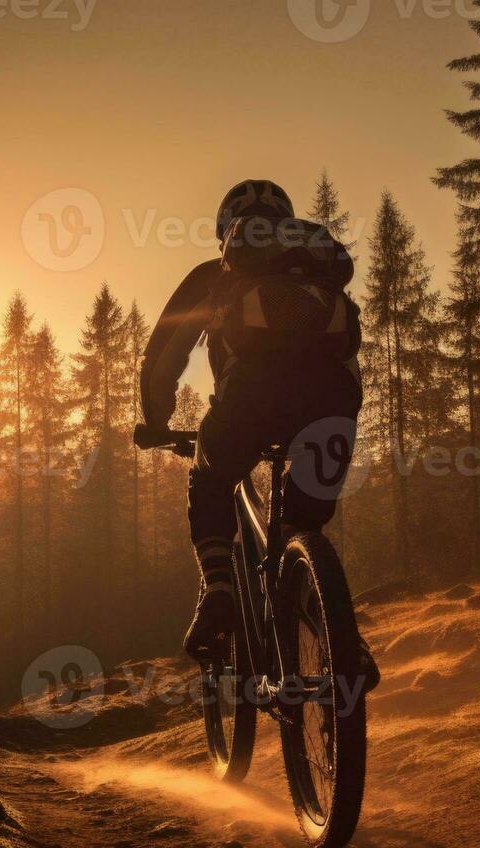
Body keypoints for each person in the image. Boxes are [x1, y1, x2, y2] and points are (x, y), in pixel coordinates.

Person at [137, 179, 374, 682]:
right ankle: (342, 639)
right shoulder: (318, 273)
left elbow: (164, 357)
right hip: (333, 404)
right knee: (302, 530)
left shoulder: (215, 275)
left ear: (228, 231)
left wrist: (157, 422)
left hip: (249, 402)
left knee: (211, 474)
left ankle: (218, 586)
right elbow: (347, 352)